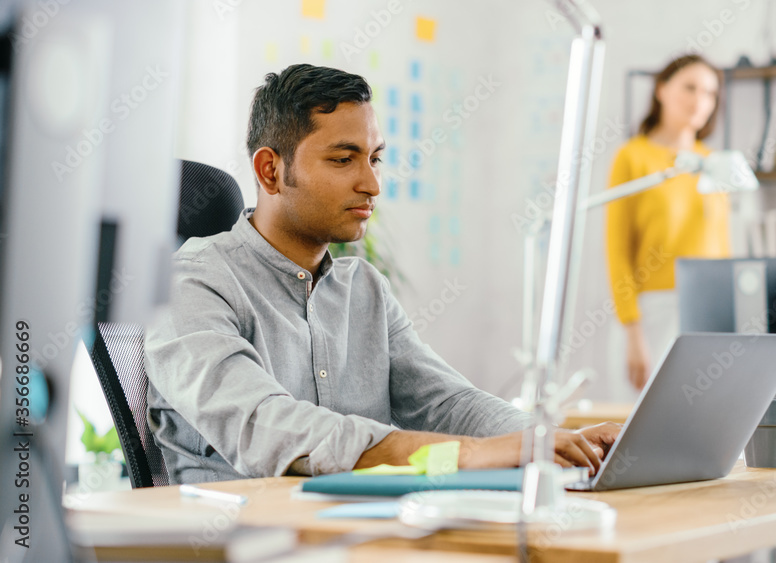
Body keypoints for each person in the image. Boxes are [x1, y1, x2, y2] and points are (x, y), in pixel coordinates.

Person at [145, 64, 620, 484]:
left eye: (374, 158)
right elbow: (265, 425)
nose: (372, 184)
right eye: (342, 158)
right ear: (270, 171)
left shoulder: (364, 287)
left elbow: (446, 403)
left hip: (356, 529)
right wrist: (470, 455)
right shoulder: (191, 284)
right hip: (241, 540)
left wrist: (552, 440)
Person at [606, 55, 729, 392]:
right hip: (651, 314)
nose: (699, 100)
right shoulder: (633, 157)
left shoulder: (713, 163)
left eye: (709, 93)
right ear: (661, 90)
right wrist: (633, 332)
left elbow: (722, 248)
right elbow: (617, 252)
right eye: (689, 87)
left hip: (706, 313)